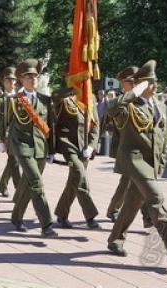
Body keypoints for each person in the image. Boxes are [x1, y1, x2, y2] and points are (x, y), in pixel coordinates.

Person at [106, 60, 167, 261]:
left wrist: (161, 161)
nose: (155, 85)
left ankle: (115, 240)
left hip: (151, 163)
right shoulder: (129, 106)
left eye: (156, 81)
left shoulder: (159, 104)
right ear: (141, 84)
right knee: (156, 199)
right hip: (134, 160)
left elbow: (162, 136)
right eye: (150, 82)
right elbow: (111, 109)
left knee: (132, 204)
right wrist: (133, 92)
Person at [9, 59, 57, 237]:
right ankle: (46, 224)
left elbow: (50, 125)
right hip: (23, 147)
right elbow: (8, 124)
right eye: (28, 76)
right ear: (21, 80)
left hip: (40, 148)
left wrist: (51, 150)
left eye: (35, 76)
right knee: (36, 183)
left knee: (27, 184)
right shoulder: (15, 100)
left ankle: (16, 216)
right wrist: (2, 142)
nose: (33, 78)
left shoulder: (45, 100)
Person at [52, 81, 100, 230]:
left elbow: (95, 123)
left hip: (84, 147)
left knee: (75, 179)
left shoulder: (89, 96)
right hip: (68, 145)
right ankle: (90, 216)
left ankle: (62, 214)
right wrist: (71, 89)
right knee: (79, 173)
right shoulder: (63, 96)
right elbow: (55, 97)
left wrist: (92, 145)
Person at [105, 66, 138, 222]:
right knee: (128, 182)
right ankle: (114, 209)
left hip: (142, 149)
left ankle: (148, 216)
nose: (133, 85)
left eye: (134, 82)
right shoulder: (119, 103)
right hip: (127, 148)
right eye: (129, 82)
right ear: (122, 84)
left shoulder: (140, 101)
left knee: (141, 183)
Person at [0, 66, 21, 197]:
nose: (11, 82)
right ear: (3, 81)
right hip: (7, 135)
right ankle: (19, 190)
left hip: (19, 135)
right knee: (14, 161)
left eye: (13, 80)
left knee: (13, 161)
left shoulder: (21, 97)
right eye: (8, 80)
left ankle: (2, 184)